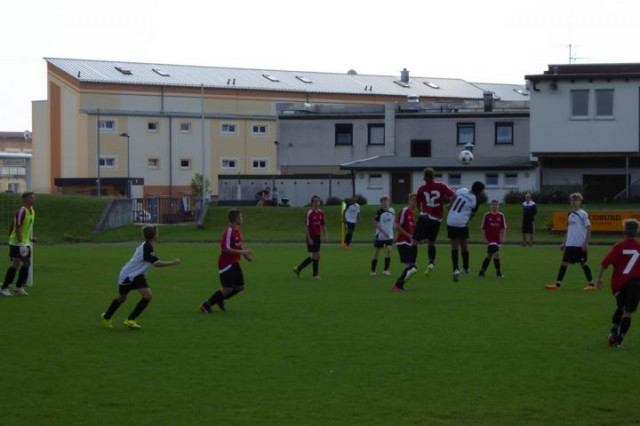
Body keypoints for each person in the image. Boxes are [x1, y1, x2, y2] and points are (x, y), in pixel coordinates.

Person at [101, 225, 180, 329]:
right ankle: (107, 317)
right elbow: (156, 264)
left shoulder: (148, 245)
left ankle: (131, 320)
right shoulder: (147, 247)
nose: (158, 235)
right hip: (128, 276)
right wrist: (173, 263)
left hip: (138, 275)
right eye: (157, 233)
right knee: (122, 298)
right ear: (153, 236)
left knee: (148, 296)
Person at [596, 219, 640, 348]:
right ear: (637, 232)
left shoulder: (618, 247)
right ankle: (618, 340)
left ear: (624, 232)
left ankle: (613, 332)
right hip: (636, 284)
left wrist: (599, 278)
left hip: (620, 284)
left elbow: (605, 263)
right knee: (628, 313)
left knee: (619, 307)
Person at [199, 209, 253, 313]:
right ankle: (206, 305)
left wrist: (246, 255)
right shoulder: (229, 230)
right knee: (227, 289)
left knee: (240, 286)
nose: (242, 219)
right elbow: (225, 248)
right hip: (226, 264)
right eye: (240, 217)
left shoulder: (237, 230)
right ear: (235, 219)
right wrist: (243, 252)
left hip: (235, 263)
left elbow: (238, 246)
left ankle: (220, 299)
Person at [545, 193, 595, 291]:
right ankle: (557, 285)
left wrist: (585, 243)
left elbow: (589, 228)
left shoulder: (583, 214)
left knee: (583, 264)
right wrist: (564, 243)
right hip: (570, 244)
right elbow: (569, 230)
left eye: (576, 200)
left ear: (580, 202)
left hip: (579, 244)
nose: (574, 202)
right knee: (564, 263)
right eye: (572, 200)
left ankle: (591, 284)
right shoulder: (570, 214)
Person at [414, 168, 455, 277]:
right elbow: (454, 195)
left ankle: (412, 264)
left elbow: (418, 204)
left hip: (425, 216)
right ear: (433, 176)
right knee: (431, 242)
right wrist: (449, 205)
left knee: (414, 241)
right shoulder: (441, 186)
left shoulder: (422, 189)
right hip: (436, 220)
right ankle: (431, 262)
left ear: (424, 177)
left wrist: (420, 211)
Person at [446, 181, 485, 282]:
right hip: (462, 223)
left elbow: (453, 198)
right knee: (464, 244)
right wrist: (468, 218)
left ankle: (455, 270)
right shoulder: (476, 200)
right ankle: (466, 267)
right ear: (480, 192)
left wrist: (449, 205)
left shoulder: (461, 190)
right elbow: (472, 214)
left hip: (451, 220)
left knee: (454, 246)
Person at [1, 191, 36, 297]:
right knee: (16, 264)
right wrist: (21, 243)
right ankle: (4, 288)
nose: (34, 199)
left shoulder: (32, 211)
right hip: (17, 243)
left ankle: (19, 286)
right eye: (31, 198)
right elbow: (18, 228)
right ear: (25, 200)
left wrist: (30, 239)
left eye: (34, 198)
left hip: (25, 243)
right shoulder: (21, 211)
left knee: (26, 264)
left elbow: (26, 228)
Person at [293, 195, 327, 279]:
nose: (316, 202)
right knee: (315, 256)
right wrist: (309, 238)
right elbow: (306, 226)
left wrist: (325, 235)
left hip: (318, 236)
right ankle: (314, 274)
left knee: (316, 256)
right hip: (312, 236)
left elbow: (323, 224)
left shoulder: (321, 212)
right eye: (315, 201)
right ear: (312, 202)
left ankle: (299, 268)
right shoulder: (309, 213)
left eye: (318, 201)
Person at [392, 193, 418, 292]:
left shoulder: (413, 214)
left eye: (416, 200)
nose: (415, 202)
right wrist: (409, 236)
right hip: (402, 242)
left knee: (413, 267)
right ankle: (398, 285)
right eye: (413, 199)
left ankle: (398, 285)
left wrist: (418, 238)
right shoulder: (404, 211)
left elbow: (414, 229)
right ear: (409, 201)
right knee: (412, 266)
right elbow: (397, 226)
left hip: (410, 243)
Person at [479, 200, 507, 279]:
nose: (494, 206)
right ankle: (498, 273)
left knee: (489, 256)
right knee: (496, 254)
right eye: (493, 205)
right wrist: (484, 238)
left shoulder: (501, 215)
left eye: (496, 205)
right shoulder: (487, 215)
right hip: (490, 239)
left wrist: (503, 237)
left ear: (498, 206)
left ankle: (482, 271)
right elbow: (483, 228)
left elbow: (504, 227)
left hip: (497, 239)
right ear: (490, 206)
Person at [371, 196, 395, 276]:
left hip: (389, 235)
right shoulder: (379, 212)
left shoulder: (392, 211)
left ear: (389, 202)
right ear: (381, 203)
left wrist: (395, 227)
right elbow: (375, 223)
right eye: (383, 201)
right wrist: (384, 232)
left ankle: (386, 270)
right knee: (376, 253)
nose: (385, 202)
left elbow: (393, 222)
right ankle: (373, 270)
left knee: (389, 250)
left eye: (387, 201)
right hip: (380, 235)